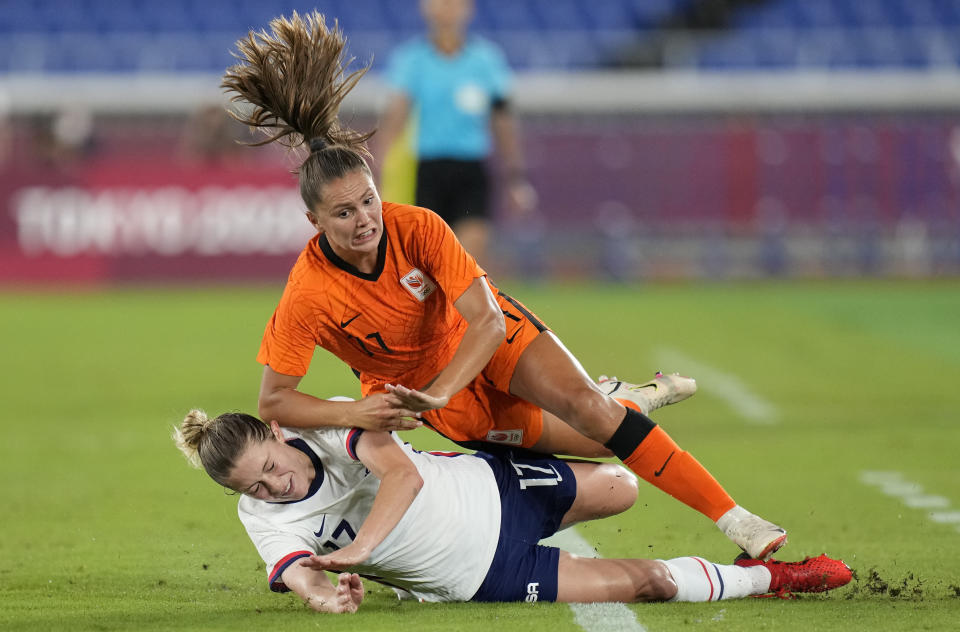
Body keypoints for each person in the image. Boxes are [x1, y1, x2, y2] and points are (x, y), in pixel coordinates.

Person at [221, 10, 786, 562]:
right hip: (430, 393)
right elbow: (275, 401)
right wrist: (359, 414)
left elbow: (488, 320)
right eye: (343, 213)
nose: (365, 219)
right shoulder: (307, 294)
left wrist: (441, 389)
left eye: (369, 199)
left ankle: (739, 522)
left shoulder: (418, 225)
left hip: (483, 341)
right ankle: (630, 398)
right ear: (314, 223)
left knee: (592, 412)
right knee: (598, 441)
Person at [173, 408, 852, 612]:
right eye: (254, 489)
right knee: (647, 582)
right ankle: (776, 578)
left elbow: (401, 476)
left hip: (495, 485)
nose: (274, 488)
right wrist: (325, 597)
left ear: (277, 436)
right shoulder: (260, 515)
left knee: (625, 487)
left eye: (269, 469)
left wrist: (358, 551)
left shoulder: (325, 429)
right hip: (485, 573)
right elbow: (299, 574)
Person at [374, 0, 536, 264]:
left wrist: (515, 175)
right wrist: (378, 169)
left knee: (469, 260)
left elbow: (502, 120)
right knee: (429, 261)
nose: (446, 9)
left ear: (467, 9)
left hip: (470, 169)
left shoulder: (486, 59)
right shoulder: (412, 59)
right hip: (428, 170)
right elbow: (395, 117)